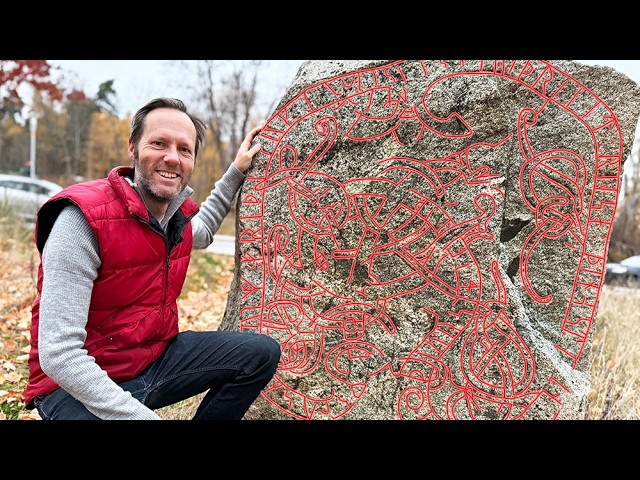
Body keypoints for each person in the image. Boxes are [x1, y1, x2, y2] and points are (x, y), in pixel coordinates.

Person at [23, 97, 281, 420]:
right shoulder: (81, 220)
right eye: (159, 143)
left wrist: (236, 171)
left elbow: (205, 228)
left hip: (151, 364)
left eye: (185, 150)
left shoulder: (176, 221)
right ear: (133, 148)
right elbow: (59, 355)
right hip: (72, 387)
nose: (172, 158)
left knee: (261, 354)